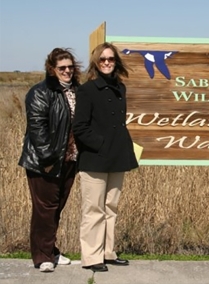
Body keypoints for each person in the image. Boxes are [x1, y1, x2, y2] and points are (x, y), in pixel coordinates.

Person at [73, 42, 138, 272]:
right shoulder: (87, 90)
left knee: (111, 207)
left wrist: (119, 146)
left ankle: (108, 252)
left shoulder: (121, 88)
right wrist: (101, 144)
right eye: (103, 59)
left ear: (116, 62)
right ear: (96, 63)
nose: (107, 63)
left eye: (111, 59)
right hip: (95, 158)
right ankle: (91, 257)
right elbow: (79, 127)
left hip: (118, 157)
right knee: (94, 210)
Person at [18, 48, 81, 272]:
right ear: (52, 69)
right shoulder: (40, 92)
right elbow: (37, 128)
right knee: (45, 208)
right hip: (44, 162)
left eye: (70, 67)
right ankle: (42, 256)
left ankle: (51, 250)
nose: (67, 71)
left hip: (70, 159)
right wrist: (48, 159)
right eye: (62, 67)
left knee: (56, 208)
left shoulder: (76, 91)